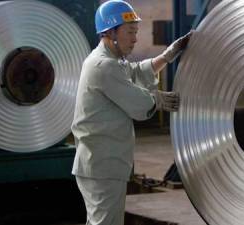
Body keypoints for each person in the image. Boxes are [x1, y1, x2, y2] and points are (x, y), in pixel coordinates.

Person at [71, 1, 192, 225]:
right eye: (130, 32)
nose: (135, 39)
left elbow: (134, 73)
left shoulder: (112, 61)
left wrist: (166, 56)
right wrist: (159, 99)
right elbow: (139, 104)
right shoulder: (103, 66)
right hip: (102, 165)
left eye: (136, 32)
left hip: (102, 164)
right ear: (110, 32)